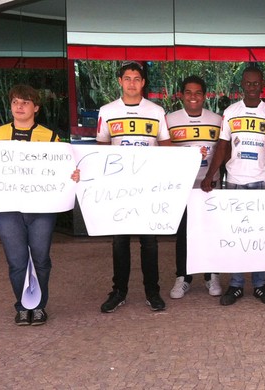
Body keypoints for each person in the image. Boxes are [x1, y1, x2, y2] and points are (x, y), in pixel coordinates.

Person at [0, 84, 80, 326]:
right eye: (15, 102)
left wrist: (72, 175)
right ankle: (22, 306)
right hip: (7, 208)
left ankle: (39, 306)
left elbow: (63, 169)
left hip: (42, 208)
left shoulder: (51, 137)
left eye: (25, 102)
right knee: (17, 260)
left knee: (40, 258)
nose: (19, 106)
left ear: (36, 107)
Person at [201, 65, 265, 306]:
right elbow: (223, 146)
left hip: (263, 181)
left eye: (256, 83)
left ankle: (260, 284)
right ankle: (236, 284)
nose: (251, 87)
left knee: (260, 235)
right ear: (241, 85)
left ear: (262, 85)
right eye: (247, 83)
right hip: (235, 181)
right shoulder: (230, 112)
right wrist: (210, 175)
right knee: (235, 235)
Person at [95, 61, 171, 313]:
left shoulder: (156, 111)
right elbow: (101, 148)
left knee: (149, 242)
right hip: (119, 187)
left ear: (143, 83)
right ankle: (119, 291)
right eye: (127, 78)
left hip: (147, 187)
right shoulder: (106, 111)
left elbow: (166, 147)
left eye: (137, 78)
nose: (132, 83)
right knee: (120, 242)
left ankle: (153, 291)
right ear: (120, 81)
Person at [165, 75, 222, 299]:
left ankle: (212, 275)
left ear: (205, 96)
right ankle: (183, 276)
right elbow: (164, 152)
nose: (193, 97)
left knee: (210, 231)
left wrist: (211, 176)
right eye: (188, 92)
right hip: (182, 186)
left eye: (198, 93)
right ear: (181, 95)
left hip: (210, 184)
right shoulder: (170, 119)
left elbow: (222, 150)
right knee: (184, 233)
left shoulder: (217, 119)